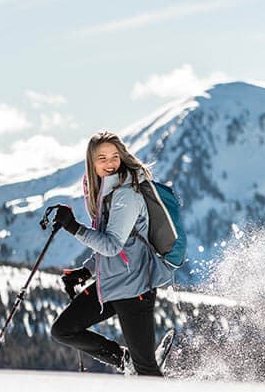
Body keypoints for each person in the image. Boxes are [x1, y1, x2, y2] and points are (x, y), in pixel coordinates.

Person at [50, 130, 173, 376]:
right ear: (91, 162)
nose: (110, 164)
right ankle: (125, 360)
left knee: (147, 371)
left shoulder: (126, 194)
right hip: (110, 282)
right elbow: (115, 247)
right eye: (102, 158)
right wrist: (86, 271)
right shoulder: (105, 194)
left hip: (135, 287)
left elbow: (112, 245)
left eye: (114, 157)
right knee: (63, 330)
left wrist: (74, 227)